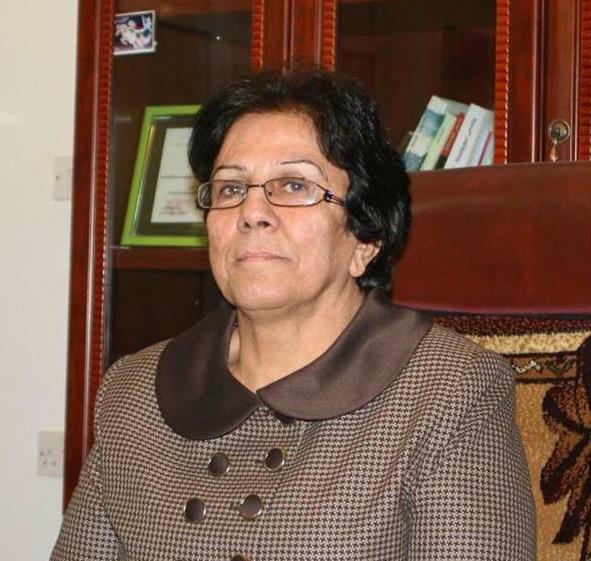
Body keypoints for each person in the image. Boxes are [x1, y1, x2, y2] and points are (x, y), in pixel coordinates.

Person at [51, 70, 536, 561]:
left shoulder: (449, 391)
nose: (251, 212)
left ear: (365, 239)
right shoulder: (133, 393)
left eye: (293, 185)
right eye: (230, 189)